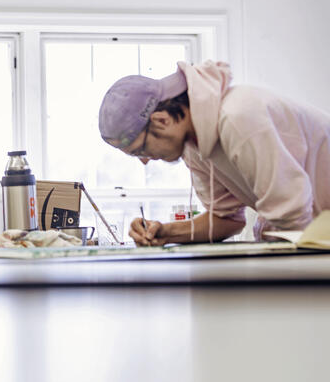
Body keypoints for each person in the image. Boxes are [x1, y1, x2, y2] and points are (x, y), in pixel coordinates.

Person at [98, 60, 330, 246]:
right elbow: (227, 219)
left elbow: (293, 220)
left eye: (140, 150)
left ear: (161, 120)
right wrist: (165, 232)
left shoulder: (238, 117)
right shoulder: (195, 145)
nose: (145, 161)